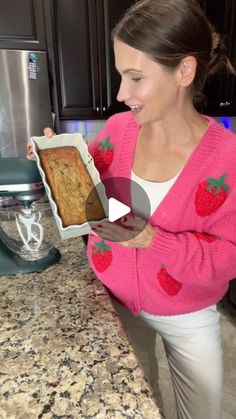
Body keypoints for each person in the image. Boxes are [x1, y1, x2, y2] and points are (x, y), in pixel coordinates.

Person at [28, 1, 236, 418]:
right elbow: (92, 191)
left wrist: (152, 240)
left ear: (185, 72)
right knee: (138, 405)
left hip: (187, 314)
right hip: (113, 300)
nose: (122, 94)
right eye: (122, 74)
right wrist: (58, 157)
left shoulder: (227, 160)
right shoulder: (120, 130)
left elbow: (225, 258)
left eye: (135, 77)